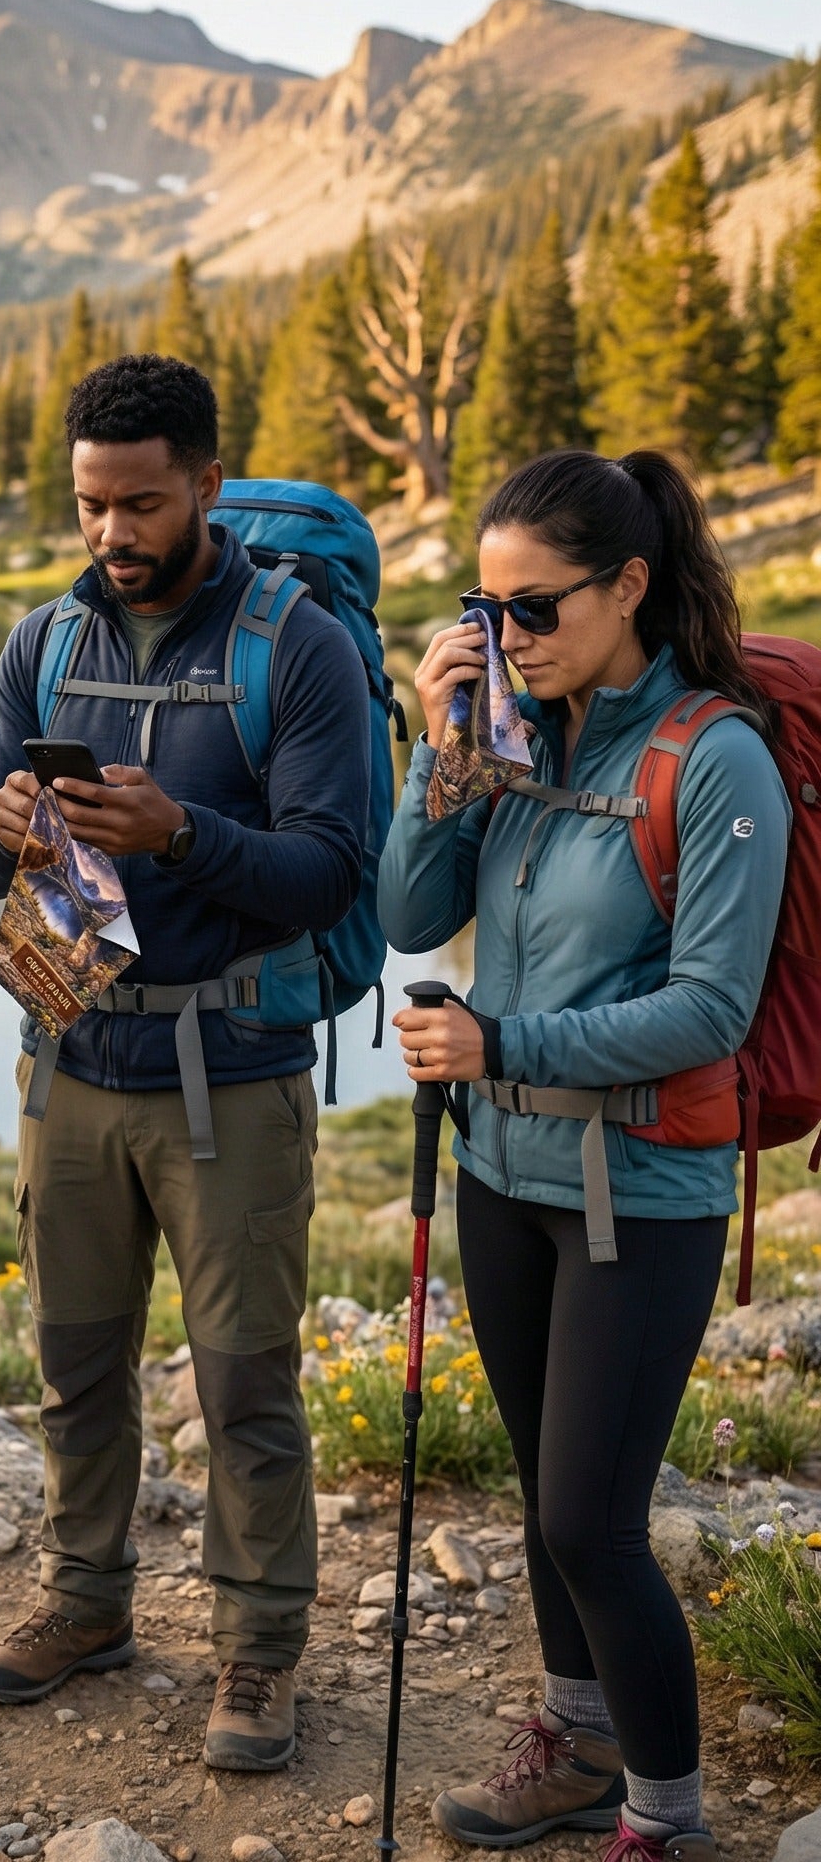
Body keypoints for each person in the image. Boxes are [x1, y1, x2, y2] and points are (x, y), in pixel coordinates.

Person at [0, 353, 371, 1771]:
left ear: (205, 481)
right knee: (74, 1366)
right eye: (88, 506)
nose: (111, 536)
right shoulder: (42, 644)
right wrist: (0, 829)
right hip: (66, 1058)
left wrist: (177, 834)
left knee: (244, 1379)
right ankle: (86, 1601)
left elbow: (329, 870)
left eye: (138, 504)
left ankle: (259, 1655)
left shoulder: (292, 645)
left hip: (231, 1072)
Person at [382, 450, 788, 1861]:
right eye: (484, 615)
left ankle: (664, 1819)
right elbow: (404, 913)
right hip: (505, 1178)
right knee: (540, 1498)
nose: (509, 643)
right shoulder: (513, 737)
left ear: (627, 586)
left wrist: (503, 1047)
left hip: (642, 1193)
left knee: (591, 1519)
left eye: (535, 611)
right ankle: (578, 1745)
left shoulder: (714, 757)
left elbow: (710, 1010)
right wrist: (441, 753)